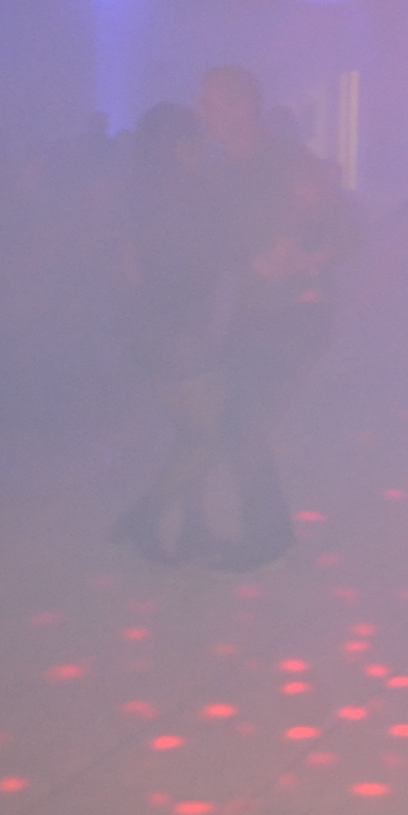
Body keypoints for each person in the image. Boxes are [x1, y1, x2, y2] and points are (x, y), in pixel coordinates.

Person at [199, 66, 360, 572]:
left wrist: (305, 259)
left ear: (244, 107)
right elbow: (222, 248)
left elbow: (350, 230)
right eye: (202, 103)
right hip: (252, 312)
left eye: (212, 104)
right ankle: (266, 530)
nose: (202, 114)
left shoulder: (288, 162)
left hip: (298, 312)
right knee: (231, 417)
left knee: (241, 419)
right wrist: (248, 263)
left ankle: (268, 535)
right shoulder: (221, 173)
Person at [109, 103, 227, 564]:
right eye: (197, 138)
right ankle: (143, 517)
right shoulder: (194, 196)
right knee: (208, 438)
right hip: (185, 331)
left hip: (150, 331)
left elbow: (130, 271)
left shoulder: (141, 196)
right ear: (180, 147)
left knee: (189, 436)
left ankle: (194, 529)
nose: (204, 146)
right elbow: (204, 268)